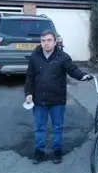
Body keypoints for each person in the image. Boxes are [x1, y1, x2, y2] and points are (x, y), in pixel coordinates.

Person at [24, 30, 91, 164]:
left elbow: (72, 70)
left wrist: (83, 75)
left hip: (57, 100)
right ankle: (39, 152)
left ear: (55, 42)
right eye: (43, 41)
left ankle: (57, 151)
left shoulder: (63, 57)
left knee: (57, 127)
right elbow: (29, 77)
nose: (46, 43)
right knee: (39, 127)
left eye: (49, 40)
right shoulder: (34, 57)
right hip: (39, 99)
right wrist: (28, 93)